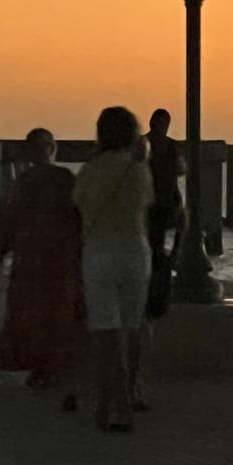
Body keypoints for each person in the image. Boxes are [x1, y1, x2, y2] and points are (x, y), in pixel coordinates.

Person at [74, 107, 154, 433]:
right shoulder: (138, 171)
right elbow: (145, 205)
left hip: (98, 250)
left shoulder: (90, 170)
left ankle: (110, 404)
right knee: (131, 326)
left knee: (105, 332)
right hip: (134, 249)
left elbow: (78, 205)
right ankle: (129, 395)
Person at [0, 128, 85, 409]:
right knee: (57, 312)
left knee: (31, 313)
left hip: (29, 257)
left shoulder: (24, 181)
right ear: (52, 148)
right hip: (58, 257)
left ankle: (39, 368)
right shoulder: (64, 179)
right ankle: (53, 367)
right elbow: (78, 219)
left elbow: (10, 220)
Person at [144, 108, 186, 319]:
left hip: (163, 203)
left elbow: (179, 170)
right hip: (155, 204)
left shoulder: (164, 146)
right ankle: (156, 291)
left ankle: (156, 290)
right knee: (158, 250)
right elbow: (180, 170)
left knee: (160, 250)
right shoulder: (162, 146)